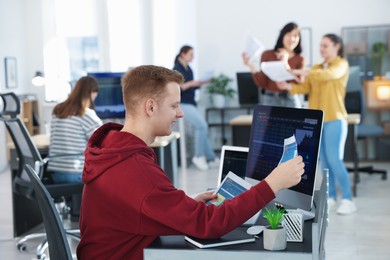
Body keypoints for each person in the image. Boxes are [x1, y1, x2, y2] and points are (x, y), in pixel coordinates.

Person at [76, 65, 305, 259]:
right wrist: (273, 183)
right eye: (174, 106)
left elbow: (138, 207)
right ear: (151, 107)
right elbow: (210, 224)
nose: (181, 114)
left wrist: (182, 204)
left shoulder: (112, 147)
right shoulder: (134, 168)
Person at [276, 34, 357, 215]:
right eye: (320, 46)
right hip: (318, 121)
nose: (322, 49)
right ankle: (330, 197)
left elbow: (329, 75)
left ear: (337, 46)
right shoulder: (317, 68)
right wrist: (287, 86)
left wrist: (302, 72)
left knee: (335, 160)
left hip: (335, 119)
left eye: (325, 46)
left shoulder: (340, 64)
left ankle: (348, 199)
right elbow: (304, 88)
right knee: (324, 163)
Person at [48, 75, 103, 183]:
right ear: (92, 92)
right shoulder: (86, 114)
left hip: (54, 173)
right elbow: (103, 141)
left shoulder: (58, 109)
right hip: (75, 173)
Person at [173, 45, 218, 171]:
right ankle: (198, 156)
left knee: (203, 128)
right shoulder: (176, 68)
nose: (193, 57)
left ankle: (211, 157)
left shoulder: (189, 69)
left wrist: (202, 83)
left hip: (191, 103)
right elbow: (180, 87)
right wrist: (193, 83)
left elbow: (191, 86)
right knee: (202, 126)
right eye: (191, 54)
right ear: (183, 54)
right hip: (183, 103)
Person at [242, 22, 305, 108]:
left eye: (295, 36)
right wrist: (250, 66)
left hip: (291, 99)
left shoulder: (300, 58)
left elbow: (300, 83)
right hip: (270, 99)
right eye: (289, 34)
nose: (292, 39)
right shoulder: (267, 54)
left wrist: (285, 63)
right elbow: (262, 83)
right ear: (282, 35)